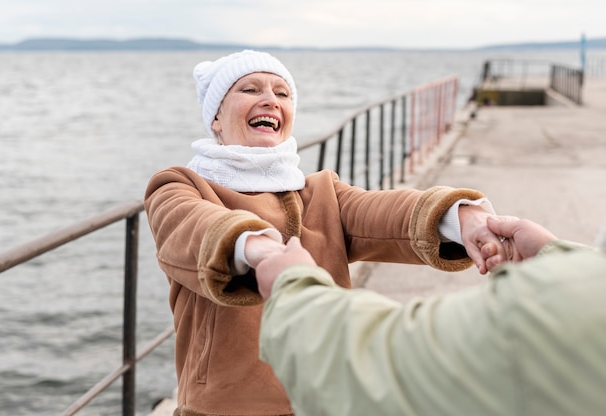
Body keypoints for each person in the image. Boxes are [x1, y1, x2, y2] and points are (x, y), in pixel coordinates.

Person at [144, 49, 510, 416]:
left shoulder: (321, 192)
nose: (270, 100)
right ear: (217, 118)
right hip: (226, 407)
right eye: (250, 90)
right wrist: (261, 250)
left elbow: (385, 213)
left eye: (282, 93)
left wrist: (462, 217)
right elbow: (192, 225)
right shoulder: (179, 185)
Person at [256, 217, 606, 416]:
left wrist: (294, 288)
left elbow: (380, 372)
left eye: (283, 91)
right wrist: (556, 257)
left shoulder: (538, 317)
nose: (270, 100)